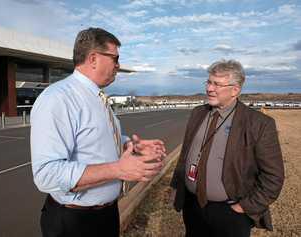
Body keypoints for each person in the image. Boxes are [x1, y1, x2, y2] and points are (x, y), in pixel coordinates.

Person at [31, 27, 166, 237]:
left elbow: (97, 140)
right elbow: (47, 174)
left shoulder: (97, 97)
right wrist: (118, 170)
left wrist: (131, 146)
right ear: (93, 58)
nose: (118, 66)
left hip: (106, 216)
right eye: (115, 58)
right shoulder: (58, 99)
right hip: (75, 223)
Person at [170, 59, 284, 237]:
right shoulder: (198, 113)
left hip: (231, 213)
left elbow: (273, 176)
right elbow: (185, 155)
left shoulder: (258, 123)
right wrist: (179, 188)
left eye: (217, 84)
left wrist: (244, 207)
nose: (209, 88)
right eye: (208, 82)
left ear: (235, 90)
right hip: (193, 207)